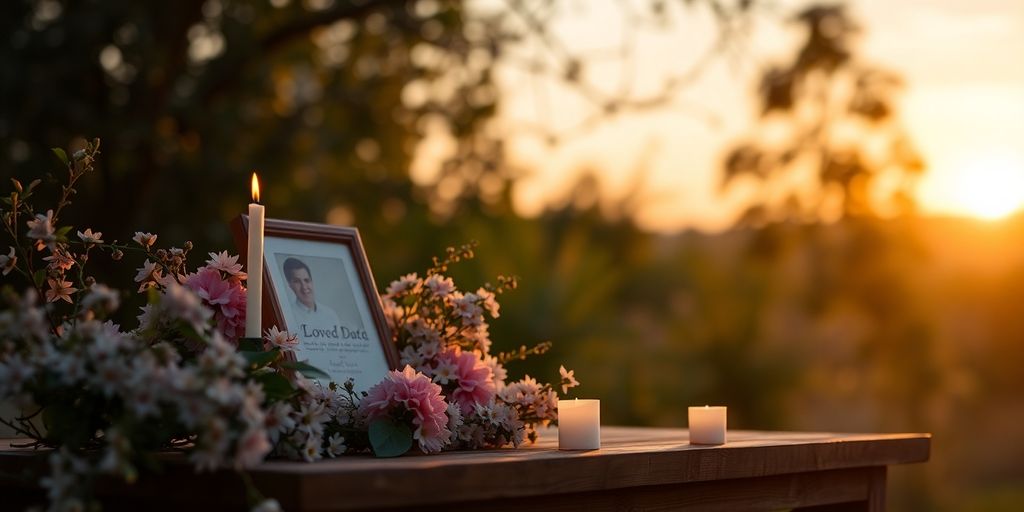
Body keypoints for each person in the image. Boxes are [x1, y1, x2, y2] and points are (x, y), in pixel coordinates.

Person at [282, 257, 342, 337]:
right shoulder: (287, 317)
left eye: (306, 280)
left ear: (312, 281)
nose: (304, 287)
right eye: (297, 281)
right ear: (290, 285)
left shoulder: (330, 315)